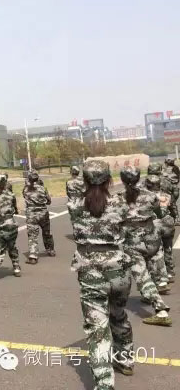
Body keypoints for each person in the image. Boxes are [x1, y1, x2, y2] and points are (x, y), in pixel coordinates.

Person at [67, 160, 137, 385]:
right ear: (109, 180)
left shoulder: (74, 206)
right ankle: (125, 360)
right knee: (118, 315)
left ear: (85, 181)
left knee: (97, 329)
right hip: (119, 270)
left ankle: (105, 382)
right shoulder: (120, 203)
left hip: (91, 273)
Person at [119, 166, 171, 326]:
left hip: (133, 242)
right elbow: (160, 213)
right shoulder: (151, 196)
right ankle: (152, 291)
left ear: (122, 180)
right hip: (152, 238)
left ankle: (161, 311)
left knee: (142, 275)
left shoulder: (118, 199)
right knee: (152, 266)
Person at [0, 174, 21, 282]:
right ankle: (16, 267)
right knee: (12, 246)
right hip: (10, 225)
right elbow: (15, 209)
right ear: (5, 183)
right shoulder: (11, 195)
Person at [146, 176, 176, 285]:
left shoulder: (147, 196)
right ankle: (170, 271)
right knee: (168, 248)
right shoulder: (167, 195)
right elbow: (173, 209)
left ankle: (160, 276)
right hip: (167, 224)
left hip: (154, 224)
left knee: (157, 251)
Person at [23, 170, 54, 264]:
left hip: (31, 214)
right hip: (43, 213)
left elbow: (25, 197)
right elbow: (49, 201)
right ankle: (50, 250)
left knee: (33, 235)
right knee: (47, 232)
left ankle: (33, 256)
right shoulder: (43, 188)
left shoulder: (26, 189)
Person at [162, 158, 179, 222]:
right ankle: (176, 218)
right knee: (173, 203)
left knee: (168, 203)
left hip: (168, 188)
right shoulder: (176, 168)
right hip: (176, 188)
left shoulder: (165, 170)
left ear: (166, 163)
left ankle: (173, 218)